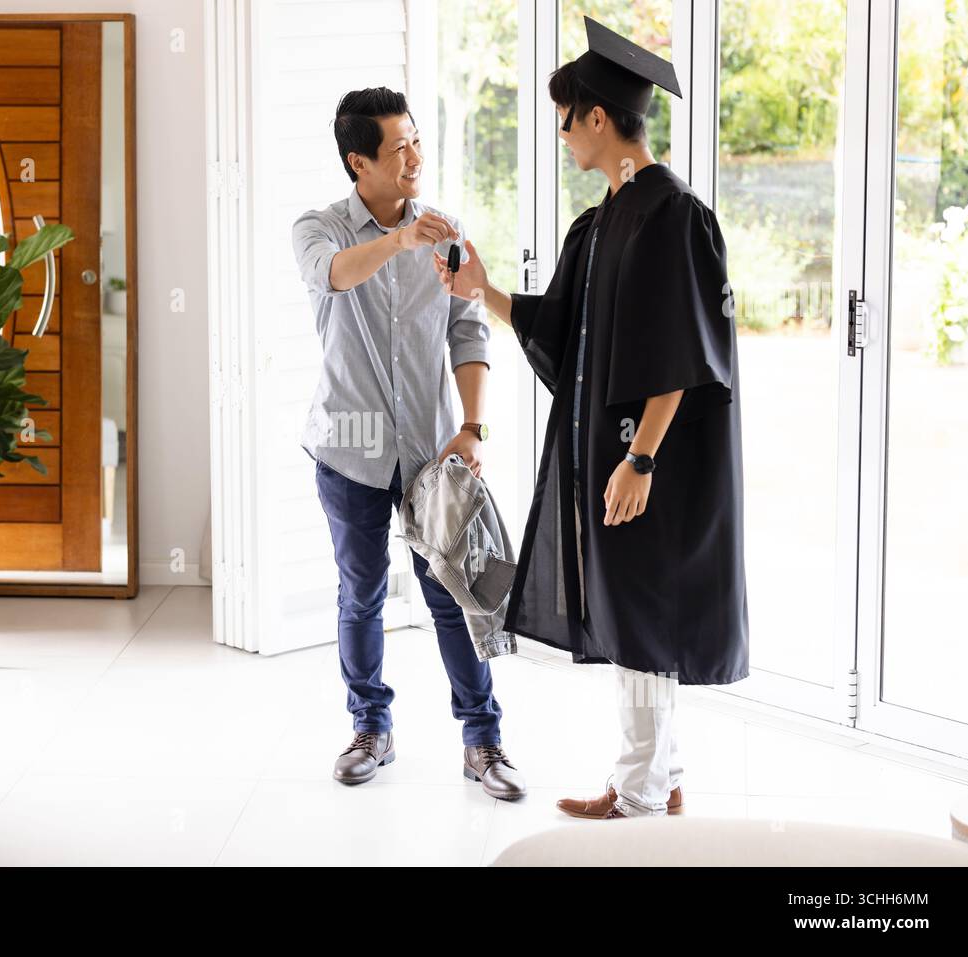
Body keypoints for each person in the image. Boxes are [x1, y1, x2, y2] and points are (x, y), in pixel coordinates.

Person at [434, 18, 749, 819]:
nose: (565, 134)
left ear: (600, 119)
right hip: (609, 458)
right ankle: (659, 773)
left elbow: (685, 351)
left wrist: (640, 460)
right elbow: (563, 329)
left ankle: (640, 792)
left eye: (568, 119)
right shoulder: (604, 217)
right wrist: (484, 289)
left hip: (648, 465)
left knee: (643, 614)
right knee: (632, 610)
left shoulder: (672, 215)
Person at [291, 87, 526, 800]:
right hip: (349, 449)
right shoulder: (319, 226)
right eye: (399, 147)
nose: (415, 156)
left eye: (417, 139)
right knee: (360, 593)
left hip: (431, 450)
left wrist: (473, 427)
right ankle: (371, 727)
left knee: (453, 591)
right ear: (358, 161)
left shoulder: (445, 229)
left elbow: (469, 329)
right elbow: (331, 277)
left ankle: (482, 740)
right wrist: (397, 239)